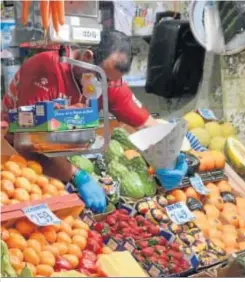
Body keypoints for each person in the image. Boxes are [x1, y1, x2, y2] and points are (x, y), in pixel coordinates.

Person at [1, 30, 188, 213]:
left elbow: (148, 125)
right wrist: (77, 175)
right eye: (103, 79)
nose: (105, 86)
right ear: (87, 57)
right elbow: (26, 142)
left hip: (64, 153)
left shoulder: (108, 80)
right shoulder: (44, 68)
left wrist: (172, 157)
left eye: (112, 81)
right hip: (14, 157)